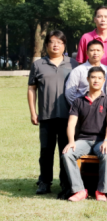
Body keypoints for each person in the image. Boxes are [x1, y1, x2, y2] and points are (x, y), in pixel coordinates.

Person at [28, 30, 79, 197]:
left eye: (59, 42)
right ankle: (44, 182)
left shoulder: (73, 64)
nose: (55, 45)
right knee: (46, 150)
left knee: (66, 150)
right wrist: (33, 112)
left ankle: (66, 182)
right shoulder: (38, 64)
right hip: (46, 115)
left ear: (64, 45)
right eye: (52, 41)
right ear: (46, 45)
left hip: (68, 116)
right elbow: (32, 89)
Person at [61, 67, 107, 202]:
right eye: (93, 77)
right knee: (67, 154)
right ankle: (79, 190)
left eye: (99, 78)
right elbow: (71, 124)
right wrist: (71, 141)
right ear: (87, 79)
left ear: (104, 80)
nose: (96, 80)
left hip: (102, 140)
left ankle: (101, 191)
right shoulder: (78, 101)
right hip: (83, 140)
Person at [65, 40, 107, 104]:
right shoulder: (78, 71)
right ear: (87, 53)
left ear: (103, 52)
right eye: (92, 50)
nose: (95, 53)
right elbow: (69, 93)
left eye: (98, 50)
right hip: (83, 107)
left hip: (103, 107)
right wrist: (79, 107)